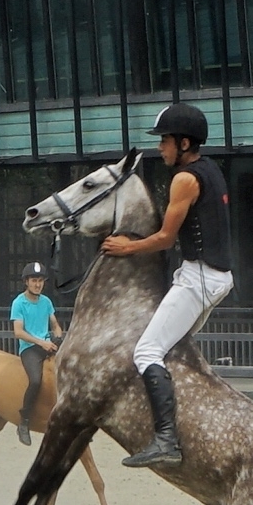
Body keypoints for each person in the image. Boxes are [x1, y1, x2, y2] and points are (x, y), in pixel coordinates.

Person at [104, 102, 232, 469]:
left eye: (165, 141)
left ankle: (166, 441)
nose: (161, 148)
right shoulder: (210, 171)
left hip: (199, 279)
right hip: (212, 277)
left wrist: (126, 247)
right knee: (172, 352)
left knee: (146, 352)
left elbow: (164, 238)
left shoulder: (184, 179)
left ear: (185, 143)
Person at [8, 262, 58, 445]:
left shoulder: (46, 302)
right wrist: (41, 342)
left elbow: (55, 324)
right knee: (36, 380)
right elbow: (18, 332)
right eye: (34, 281)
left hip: (48, 345)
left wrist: (57, 336)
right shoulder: (18, 303)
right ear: (26, 282)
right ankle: (24, 421)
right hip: (30, 348)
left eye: (40, 281)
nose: (38, 284)